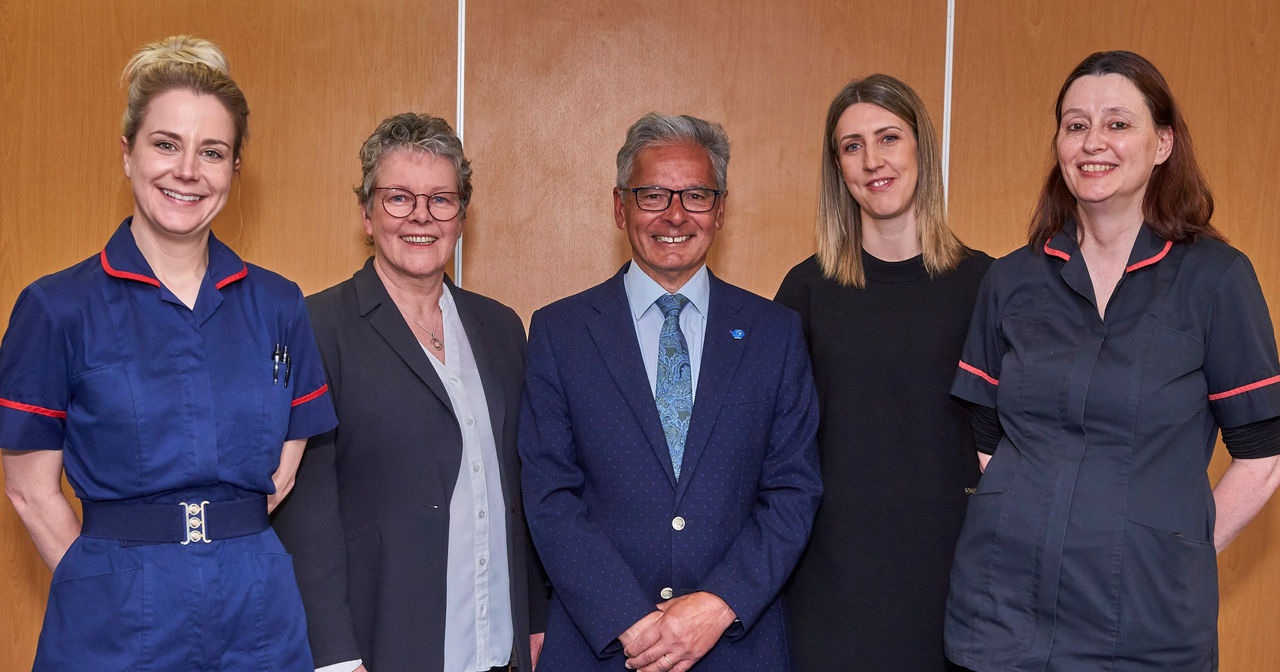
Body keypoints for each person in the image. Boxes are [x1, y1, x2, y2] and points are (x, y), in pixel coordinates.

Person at [0, 35, 337, 670]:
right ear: (126, 153)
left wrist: (220, 538)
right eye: (165, 144)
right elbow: (28, 490)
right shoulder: (56, 308)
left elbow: (287, 463)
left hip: (257, 608)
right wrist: (102, 580)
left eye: (212, 152)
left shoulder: (279, 304)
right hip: (114, 612)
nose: (188, 171)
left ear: (234, 169)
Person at [946, 50, 1280, 670]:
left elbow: (1262, 456)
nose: (1093, 142)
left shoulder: (1217, 279)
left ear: (1163, 144)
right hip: (1002, 618)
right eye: (1076, 125)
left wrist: (1176, 557)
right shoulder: (1011, 280)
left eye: (1118, 123)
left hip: (1147, 626)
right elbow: (987, 433)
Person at [518, 112, 822, 671]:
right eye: (653, 195)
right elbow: (549, 494)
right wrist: (632, 624)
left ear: (721, 210)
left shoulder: (774, 334)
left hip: (735, 645)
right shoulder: (560, 333)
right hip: (601, 646)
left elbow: (793, 491)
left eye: (696, 196)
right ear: (620, 207)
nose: (675, 215)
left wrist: (719, 605)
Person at [271, 112, 546, 672]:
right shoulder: (318, 328)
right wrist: (335, 657)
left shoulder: (501, 327)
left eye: (441, 200)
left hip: (498, 645)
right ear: (366, 214)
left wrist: (535, 618)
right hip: (383, 644)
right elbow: (306, 511)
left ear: (461, 217)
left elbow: (522, 486)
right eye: (398, 198)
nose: (421, 216)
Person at [775, 74, 992, 671]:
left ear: (921, 147)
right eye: (852, 146)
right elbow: (774, 449)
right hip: (830, 587)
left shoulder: (988, 286)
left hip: (954, 581)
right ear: (837, 168)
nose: (873, 161)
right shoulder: (806, 290)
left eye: (889, 137)